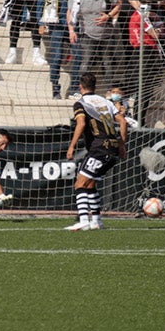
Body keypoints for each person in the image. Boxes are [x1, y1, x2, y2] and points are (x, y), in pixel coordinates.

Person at [64, 72, 126, 231]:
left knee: (80, 184)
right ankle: (97, 221)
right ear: (95, 86)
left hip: (99, 148)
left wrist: (71, 146)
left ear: (80, 86)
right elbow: (123, 121)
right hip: (111, 147)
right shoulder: (105, 101)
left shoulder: (81, 103)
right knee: (90, 184)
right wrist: (122, 144)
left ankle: (84, 220)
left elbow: (81, 124)